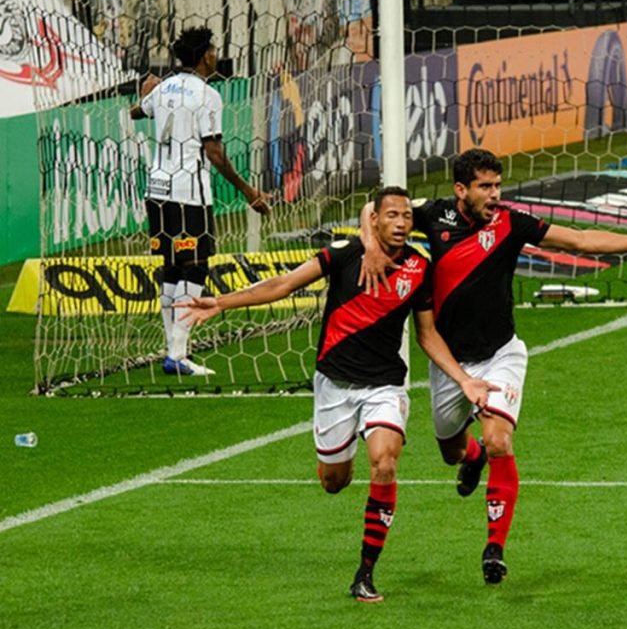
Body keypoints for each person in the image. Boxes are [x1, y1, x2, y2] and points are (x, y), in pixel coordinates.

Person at [359, 148, 627, 585]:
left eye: (497, 185)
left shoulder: (511, 223)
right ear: (461, 190)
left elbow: (578, 241)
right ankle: (473, 457)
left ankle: (494, 549)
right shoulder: (433, 215)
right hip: (451, 364)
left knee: (500, 439)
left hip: (501, 354)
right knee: (451, 452)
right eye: (485, 187)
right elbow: (374, 206)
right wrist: (371, 246)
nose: (494, 195)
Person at [177, 186, 497, 603]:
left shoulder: (420, 268)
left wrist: (464, 381)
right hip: (335, 385)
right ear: (375, 220)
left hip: (384, 385)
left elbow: (427, 334)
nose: (401, 223)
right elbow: (285, 284)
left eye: (406, 216)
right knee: (334, 482)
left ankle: (365, 573)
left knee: (384, 463)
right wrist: (222, 302)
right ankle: (472, 453)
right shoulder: (344, 254)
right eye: (392, 216)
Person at [130, 26, 272, 376]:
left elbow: (137, 111)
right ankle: (177, 354)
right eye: (212, 49)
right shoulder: (206, 95)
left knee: (172, 267)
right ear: (204, 54)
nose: (216, 54)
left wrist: (144, 92)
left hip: (158, 191)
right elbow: (214, 153)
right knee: (195, 266)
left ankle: (173, 350)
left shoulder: (163, 87)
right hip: (189, 194)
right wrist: (248, 191)